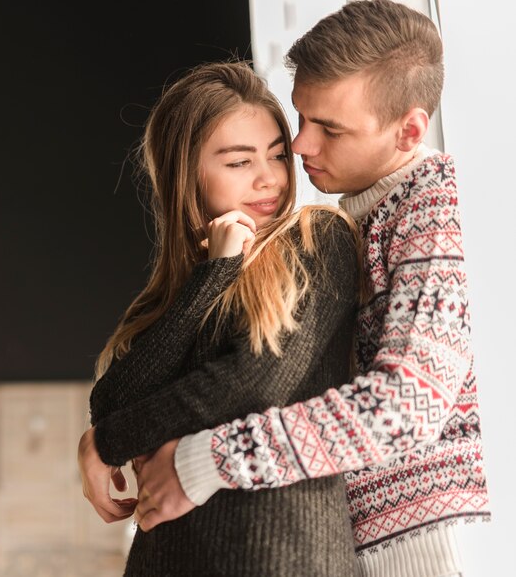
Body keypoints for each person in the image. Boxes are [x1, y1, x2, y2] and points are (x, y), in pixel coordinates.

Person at [107, 0, 492, 577]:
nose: (301, 146)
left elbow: (406, 406)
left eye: (329, 128)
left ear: (409, 129)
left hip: (417, 547)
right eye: (301, 119)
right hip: (358, 535)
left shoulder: (431, 208)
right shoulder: (367, 212)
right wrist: (104, 440)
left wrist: (202, 461)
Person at [78, 61, 361, 575]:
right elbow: (112, 402)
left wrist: (104, 444)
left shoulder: (317, 239)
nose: (268, 178)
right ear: (185, 174)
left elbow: (256, 380)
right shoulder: (173, 298)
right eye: (238, 162)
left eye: (277, 155)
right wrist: (214, 274)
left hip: (277, 556)